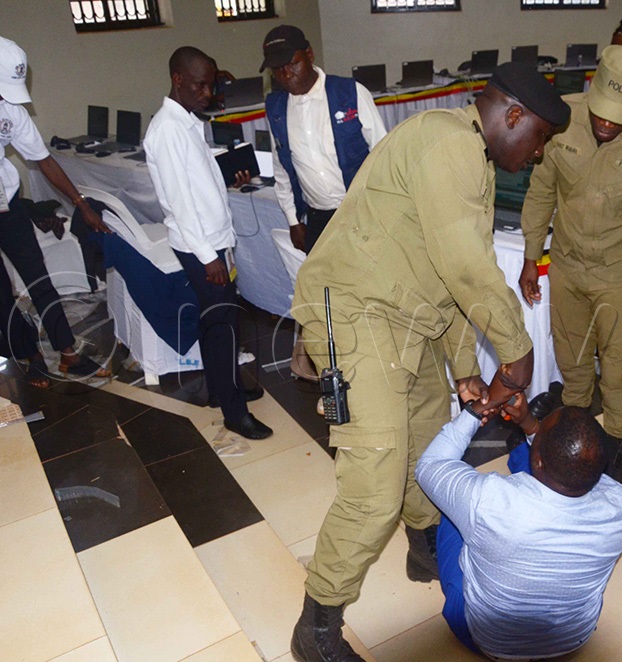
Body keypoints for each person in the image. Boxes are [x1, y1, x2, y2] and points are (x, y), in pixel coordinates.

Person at [288, 62, 570, 662]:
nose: (539, 154)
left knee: (425, 441)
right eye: (540, 137)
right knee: (376, 481)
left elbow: (447, 283)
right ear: (513, 116)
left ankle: (423, 547)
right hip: (357, 313)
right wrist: (517, 351)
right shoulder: (450, 144)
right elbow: (468, 264)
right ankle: (317, 624)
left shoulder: (472, 156)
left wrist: (465, 366)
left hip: (405, 321)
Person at [519, 45, 622, 484]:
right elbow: (541, 192)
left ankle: (613, 465)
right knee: (572, 369)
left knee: (619, 376)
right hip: (568, 268)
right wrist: (530, 256)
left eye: (619, 115)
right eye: (601, 112)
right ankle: (574, 458)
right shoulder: (563, 118)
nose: (606, 123)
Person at [415, 397, 622, 659]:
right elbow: (568, 469)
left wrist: (474, 411)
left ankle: (438, 557)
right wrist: (529, 424)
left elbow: (430, 465)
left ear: (537, 461)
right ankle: (520, 449)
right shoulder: (621, 503)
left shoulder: (491, 502)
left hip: (489, 641)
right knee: (555, 475)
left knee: (452, 514)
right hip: (573, 637)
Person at [144, 46, 272, 440]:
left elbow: (194, 181)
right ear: (177, 79)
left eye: (211, 84)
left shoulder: (186, 121)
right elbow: (180, 203)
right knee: (223, 325)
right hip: (202, 247)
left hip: (213, 241)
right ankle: (234, 411)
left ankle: (221, 387)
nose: (207, 92)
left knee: (219, 321)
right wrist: (207, 257)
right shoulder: (167, 130)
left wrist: (222, 179)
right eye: (199, 85)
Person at [260, 25, 387, 382]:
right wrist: (292, 218)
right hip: (316, 217)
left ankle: (375, 365)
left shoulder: (349, 93)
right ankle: (331, 367)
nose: (287, 75)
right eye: (278, 70)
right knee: (323, 295)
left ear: (310, 55)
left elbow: (384, 153)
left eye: (292, 64)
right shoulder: (277, 107)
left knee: (369, 290)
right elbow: (281, 167)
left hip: (362, 212)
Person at [0, 35, 112, 388]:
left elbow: (43, 160)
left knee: (39, 281)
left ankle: (68, 354)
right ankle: (30, 355)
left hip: (7, 204)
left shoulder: (11, 110)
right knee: (0, 295)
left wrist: (80, 203)